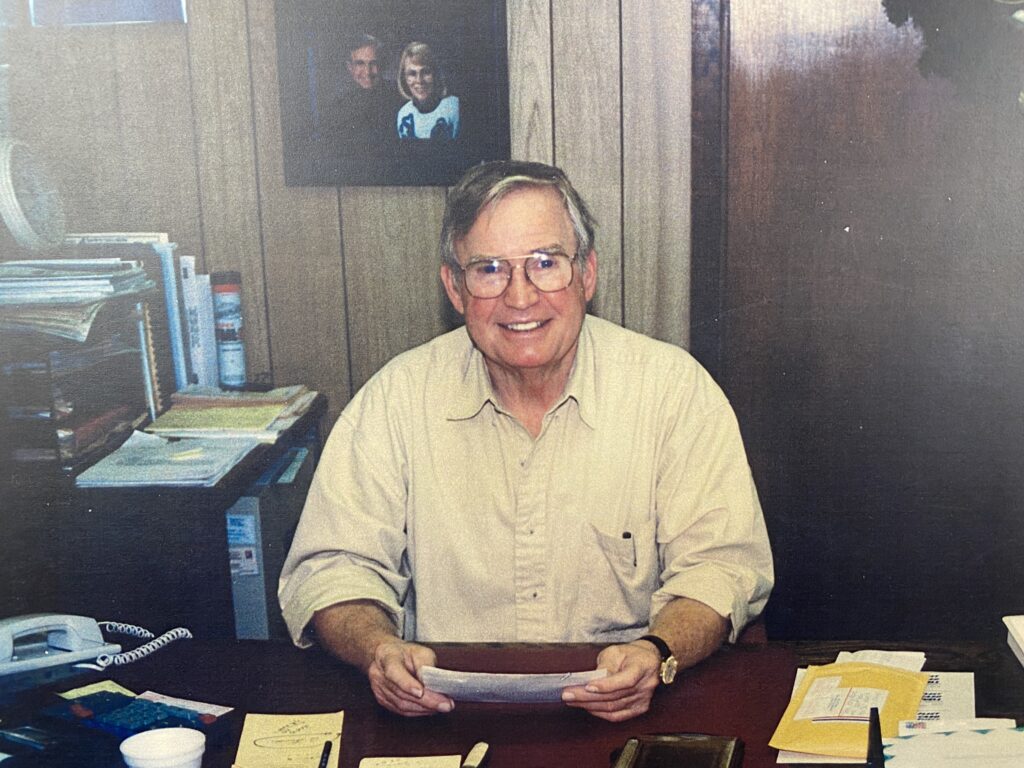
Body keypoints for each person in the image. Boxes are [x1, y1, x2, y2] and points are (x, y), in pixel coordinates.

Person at [279, 160, 773, 722]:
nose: (520, 297)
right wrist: (378, 649)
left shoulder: (672, 391)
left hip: (628, 706)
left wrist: (655, 653)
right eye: (489, 269)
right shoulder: (397, 398)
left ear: (586, 274)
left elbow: (723, 567)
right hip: (442, 711)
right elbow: (334, 567)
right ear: (455, 287)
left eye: (545, 263)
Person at [395, 41, 460, 140]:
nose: (419, 80)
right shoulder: (404, 113)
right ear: (404, 78)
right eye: (412, 74)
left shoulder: (454, 107)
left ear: (436, 74)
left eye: (425, 72)